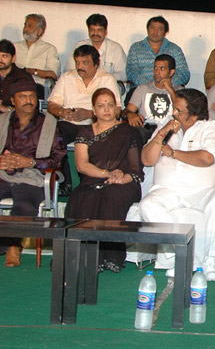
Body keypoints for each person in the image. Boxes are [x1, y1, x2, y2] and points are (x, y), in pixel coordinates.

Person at [139, 89, 215, 281]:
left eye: (179, 111)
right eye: (174, 109)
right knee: (148, 205)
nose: (174, 113)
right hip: (168, 191)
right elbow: (147, 159)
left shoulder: (211, 129)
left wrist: (173, 153)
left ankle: (211, 260)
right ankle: (178, 257)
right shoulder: (166, 126)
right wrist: (161, 134)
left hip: (203, 191)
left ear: (194, 115)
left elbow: (207, 158)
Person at [64, 88, 143, 273]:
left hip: (124, 183)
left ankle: (110, 257)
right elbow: (82, 165)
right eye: (101, 106)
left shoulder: (129, 132)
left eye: (110, 105)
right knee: (82, 197)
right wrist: (108, 174)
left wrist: (122, 178)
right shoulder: (85, 132)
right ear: (93, 110)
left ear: (116, 108)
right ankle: (84, 256)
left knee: (111, 195)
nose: (106, 109)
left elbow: (135, 169)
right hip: (92, 180)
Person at [0, 74, 66, 267]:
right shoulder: (3, 121)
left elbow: (58, 159)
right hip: (3, 176)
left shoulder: (49, 123)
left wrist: (29, 162)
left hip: (33, 178)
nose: (28, 100)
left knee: (24, 206)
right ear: (13, 100)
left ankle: (13, 245)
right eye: (23, 96)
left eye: (32, 96)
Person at [47, 45, 122, 194]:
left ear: (96, 64)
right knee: (55, 133)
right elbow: (51, 105)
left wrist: (90, 114)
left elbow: (117, 111)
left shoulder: (107, 79)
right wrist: (63, 111)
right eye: (77, 62)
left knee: (91, 137)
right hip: (69, 123)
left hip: (95, 125)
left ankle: (88, 182)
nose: (80, 66)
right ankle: (65, 182)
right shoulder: (67, 77)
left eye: (85, 62)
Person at [123, 54, 181, 142]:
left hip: (170, 130)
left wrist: (170, 90)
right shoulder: (143, 88)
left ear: (171, 72)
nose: (157, 72)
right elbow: (126, 111)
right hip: (146, 129)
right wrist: (130, 114)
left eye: (162, 69)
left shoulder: (179, 91)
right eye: (155, 68)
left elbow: (181, 112)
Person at [126, 16, 190, 88]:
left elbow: (184, 73)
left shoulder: (175, 49)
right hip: (142, 88)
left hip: (169, 88)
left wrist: (168, 84)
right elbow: (131, 71)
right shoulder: (135, 48)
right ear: (147, 29)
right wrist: (150, 85)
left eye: (160, 29)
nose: (155, 32)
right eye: (152, 28)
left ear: (165, 32)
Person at [68, 14, 127, 81]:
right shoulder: (80, 46)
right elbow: (69, 70)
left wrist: (101, 78)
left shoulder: (115, 48)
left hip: (107, 84)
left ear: (106, 31)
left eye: (99, 30)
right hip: (83, 82)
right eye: (92, 30)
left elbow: (123, 74)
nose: (95, 33)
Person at [13, 14, 59, 100]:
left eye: (30, 26)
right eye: (25, 25)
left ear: (39, 31)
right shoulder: (15, 47)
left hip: (36, 85)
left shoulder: (49, 49)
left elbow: (53, 74)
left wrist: (32, 71)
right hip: (14, 84)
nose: (25, 29)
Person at [0, 39, 31, 114]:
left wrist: (7, 109)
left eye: (4, 56)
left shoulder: (23, 77)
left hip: (14, 117)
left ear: (13, 58)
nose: (0, 59)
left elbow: (30, 107)